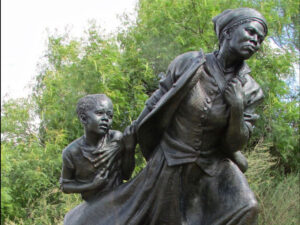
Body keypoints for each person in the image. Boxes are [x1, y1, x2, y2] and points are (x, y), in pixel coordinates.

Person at [64, 8, 267, 225]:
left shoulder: (251, 90)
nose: (255, 41)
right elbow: (157, 100)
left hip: (215, 164)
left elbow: (236, 143)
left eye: (260, 38)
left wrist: (236, 107)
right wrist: (134, 133)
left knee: (247, 206)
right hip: (172, 160)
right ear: (228, 32)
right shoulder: (189, 63)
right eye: (251, 32)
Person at [60, 94, 135, 202]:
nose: (106, 119)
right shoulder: (71, 152)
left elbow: (126, 175)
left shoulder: (116, 139)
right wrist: (92, 185)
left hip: (119, 198)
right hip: (93, 205)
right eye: (99, 113)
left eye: (110, 116)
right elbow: (65, 185)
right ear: (83, 118)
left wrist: (129, 149)